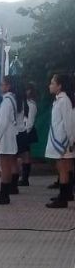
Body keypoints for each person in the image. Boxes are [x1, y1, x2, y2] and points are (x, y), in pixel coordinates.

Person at [0, 75, 25, 205]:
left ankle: (4, 195)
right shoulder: (14, 99)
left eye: (2, 84)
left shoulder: (7, 101)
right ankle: (5, 193)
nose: (0, 87)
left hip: (4, 137)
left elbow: (1, 122)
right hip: (10, 136)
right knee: (7, 166)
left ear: (8, 86)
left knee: (5, 167)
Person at [45, 74, 75, 208]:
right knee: (63, 168)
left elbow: (69, 123)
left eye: (52, 83)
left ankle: (63, 199)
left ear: (60, 86)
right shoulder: (59, 100)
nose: (50, 85)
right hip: (60, 138)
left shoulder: (64, 101)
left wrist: (71, 140)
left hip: (64, 141)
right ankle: (66, 194)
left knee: (63, 169)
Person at [18, 82, 38, 186]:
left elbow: (30, 121)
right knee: (24, 154)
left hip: (27, 131)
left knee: (25, 154)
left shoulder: (31, 104)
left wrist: (25, 132)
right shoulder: (23, 102)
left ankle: (25, 178)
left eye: (27, 90)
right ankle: (23, 178)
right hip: (23, 130)